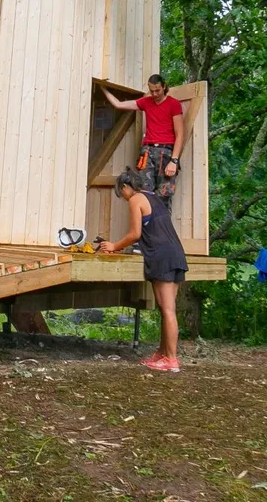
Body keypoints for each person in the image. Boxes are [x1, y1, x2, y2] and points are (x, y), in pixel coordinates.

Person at [96, 167, 187, 372]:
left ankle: (171, 360)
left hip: (161, 257)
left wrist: (114, 246)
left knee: (167, 310)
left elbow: (135, 233)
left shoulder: (136, 199)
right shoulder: (154, 197)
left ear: (127, 187)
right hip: (176, 253)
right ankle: (162, 354)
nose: (123, 197)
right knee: (167, 310)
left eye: (122, 192)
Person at [100, 75, 184, 208]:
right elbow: (118, 104)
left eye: (158, 90)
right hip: (147, 152)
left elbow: (180, 134)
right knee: (144, 193)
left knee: (164, 195)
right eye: (152, 91)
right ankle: (145, 227)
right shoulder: (146, 102)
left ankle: (162, 228)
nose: (155, 94)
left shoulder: (173, 104)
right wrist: (102, 87)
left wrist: (174, 161)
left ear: (164, 87)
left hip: (166, 153)